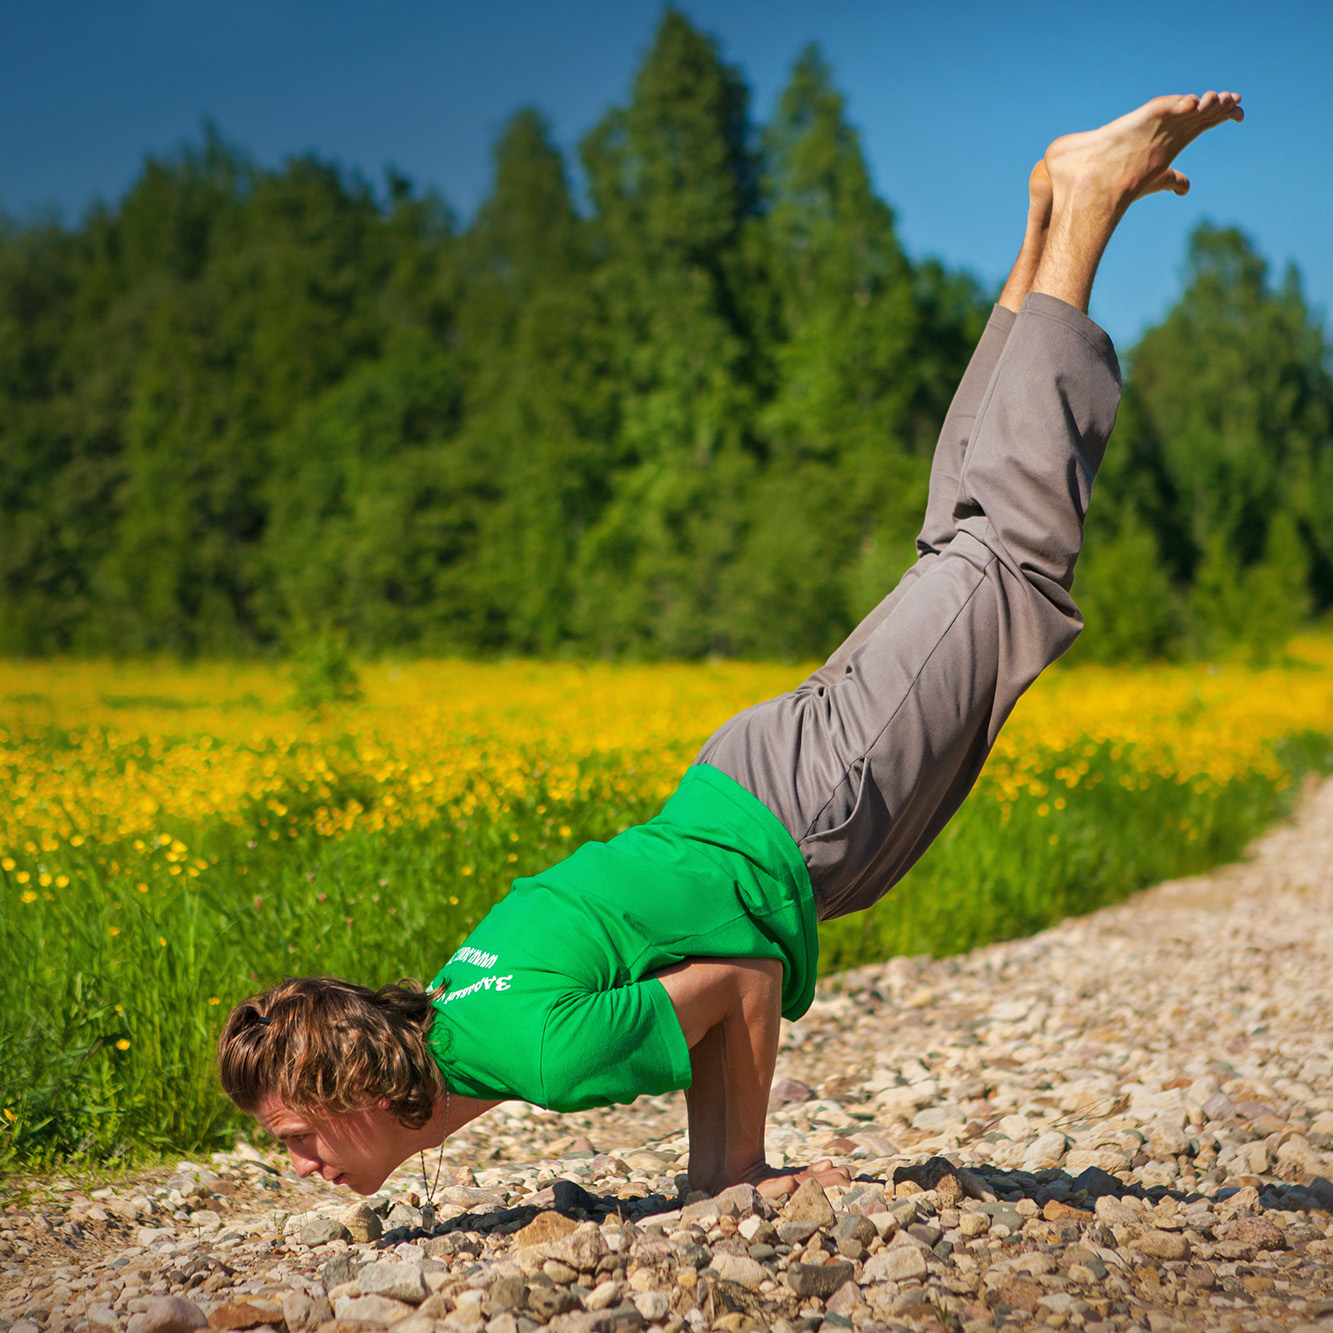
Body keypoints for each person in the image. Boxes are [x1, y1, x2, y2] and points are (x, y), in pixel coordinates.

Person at [218, 92, 1244, 1201]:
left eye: (300, 1136)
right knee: (959, 552)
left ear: (363, 1091)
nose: (305, 1162)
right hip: (748, 789)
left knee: (1004, 564)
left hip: (802, 813)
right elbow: (682, 969)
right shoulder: (461, 997)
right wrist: (719, 1174)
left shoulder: (535, 1054)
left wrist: (734, 1171)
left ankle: (1081, 209)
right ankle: (1046, 217)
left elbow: (738, 970)